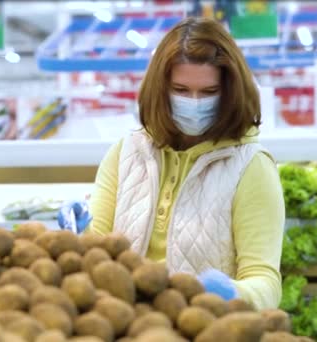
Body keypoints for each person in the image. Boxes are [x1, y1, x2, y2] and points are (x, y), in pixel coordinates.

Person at [58, 17, 284, 310]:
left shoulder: (251, 167)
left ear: (230, 92)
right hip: (126, 322)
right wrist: (78, 235)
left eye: (209, 92)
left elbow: (265, 280)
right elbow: (97, 256)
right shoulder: (125, 154)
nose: (194, 102)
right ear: (159, 88)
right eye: (180, 90)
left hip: (205, 327)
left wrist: (234, 293)